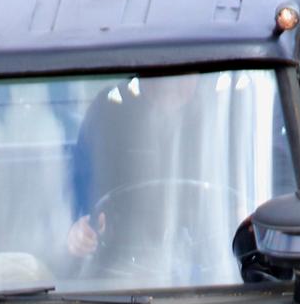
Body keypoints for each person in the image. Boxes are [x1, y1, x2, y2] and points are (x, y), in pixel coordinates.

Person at [66, 72, 202, 259]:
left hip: (208, 270)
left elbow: (240, 207)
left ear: (197, 75)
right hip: (119, 270)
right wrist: (79, 233)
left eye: (180, 74)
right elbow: (78, 197)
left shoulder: (220, 112)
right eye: (160, 74)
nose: (169, 84)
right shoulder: (108, 111)